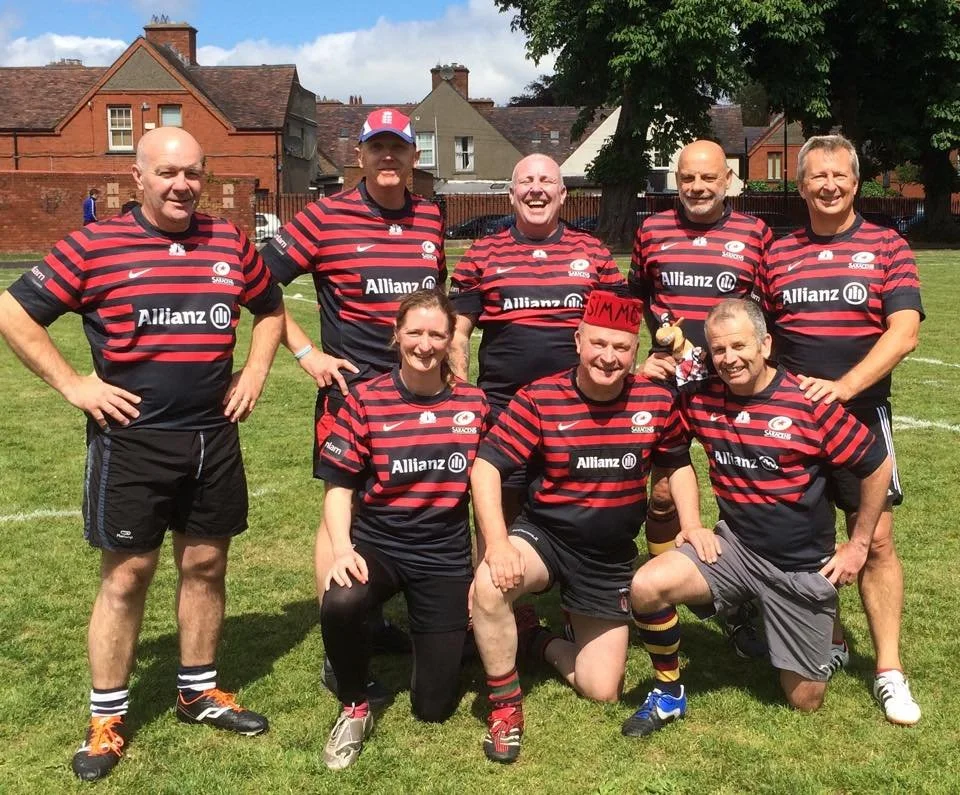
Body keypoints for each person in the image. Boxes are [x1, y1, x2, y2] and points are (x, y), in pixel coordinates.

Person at [0, 127, 284, 782]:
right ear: (138, 178)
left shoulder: (228, 242)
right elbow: (16, 311)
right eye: (168, 172)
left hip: (212, 437)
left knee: (207, 563)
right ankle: (106, 716)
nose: (182, 184)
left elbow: (269, 310)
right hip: (132, 440)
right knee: (127, 576)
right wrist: (75, 383)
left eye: (193, 172)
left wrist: (254, 372)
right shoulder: (97, 245)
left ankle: (198, 690)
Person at [622, 299, 891, 738]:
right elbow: (673, 456)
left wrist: (859, 544)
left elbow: (876, 464)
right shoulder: (701, 399)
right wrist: (691, 524)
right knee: (647, 586)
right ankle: (670, 691)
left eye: (739, 346)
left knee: (805, 701)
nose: (729, 359)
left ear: (766, 345)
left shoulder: (808, 402)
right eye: (719, 350)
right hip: (736, 551)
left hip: (800, 568)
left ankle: (807, 628)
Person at [261, 108, 447, 697]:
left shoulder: (430, 217)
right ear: (359, 157)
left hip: (418, 393)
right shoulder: (324, 215)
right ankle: (338, 638)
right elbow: (258, 284)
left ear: (415, 157)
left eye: (400, 148)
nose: (388, 158)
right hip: (350, 392)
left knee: (391, 503)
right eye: (377, 148)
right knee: (341, 505)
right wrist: (306, 354)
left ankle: (375, 616)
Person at [470, 288, 695, 764]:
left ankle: (537, 639)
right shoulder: (539, 397)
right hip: (546, 539)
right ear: (578, 340)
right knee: (489, 586)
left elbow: (677, 465)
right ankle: (505, 705)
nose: (608, 357)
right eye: (598, 343)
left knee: (601, 689)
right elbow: (486, 467)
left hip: (609, 555)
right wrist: (496, 544)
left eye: (621, 347)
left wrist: (692, 524)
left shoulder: (655, 400)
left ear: (636, 352)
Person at [756, 134, 924, 725]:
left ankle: (888, 671)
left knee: (874, 540)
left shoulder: (887, 244)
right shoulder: (776, 252)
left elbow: (903, 332)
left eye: (840, 176)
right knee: (799, 536)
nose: (829, 185)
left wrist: (845, 389)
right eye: (817, 177)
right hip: (793, 423)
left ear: (856, 182)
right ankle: (818, 636)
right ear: (800, 186)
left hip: (860, 417)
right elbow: (760, 337)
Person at [315, 289, 488, 770]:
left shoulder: (474, 404)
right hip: (381, 545)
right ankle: (354, 704)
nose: (425, 344)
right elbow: (338, 486)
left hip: (444, 555)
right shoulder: (365, 400)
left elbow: (486, 489)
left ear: (451, 338)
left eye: (437, 333)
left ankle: (451, 643)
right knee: (342, 597)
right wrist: (343, 549)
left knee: (433, 708)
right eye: (415, 332)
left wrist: (484, 561)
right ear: (397, 335)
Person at [629, 139, 773, 657]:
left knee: (742, 485)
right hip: (670, 383)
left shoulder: (756, 234)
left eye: (708, 178)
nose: (697, 187)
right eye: (688, 178)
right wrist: (641, 357)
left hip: (731, 382)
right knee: (664, 492)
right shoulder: (651, 230)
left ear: (728, 180)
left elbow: (768, 310)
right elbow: (635, 296)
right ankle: (666, 589)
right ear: (676, 179)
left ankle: (740, 593)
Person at [450, 153, 624, 526]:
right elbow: (457, 334)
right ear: (512, 195)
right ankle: (495, 572)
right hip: (504, 404)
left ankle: (579, 570)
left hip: (580, 404)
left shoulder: (593, 252)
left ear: (562, 194)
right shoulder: (481, 253)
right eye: (527, 182)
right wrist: (460, 395)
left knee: (581, 498)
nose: (536, 189)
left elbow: (619, 331)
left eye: (546, 182)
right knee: (500, 498)